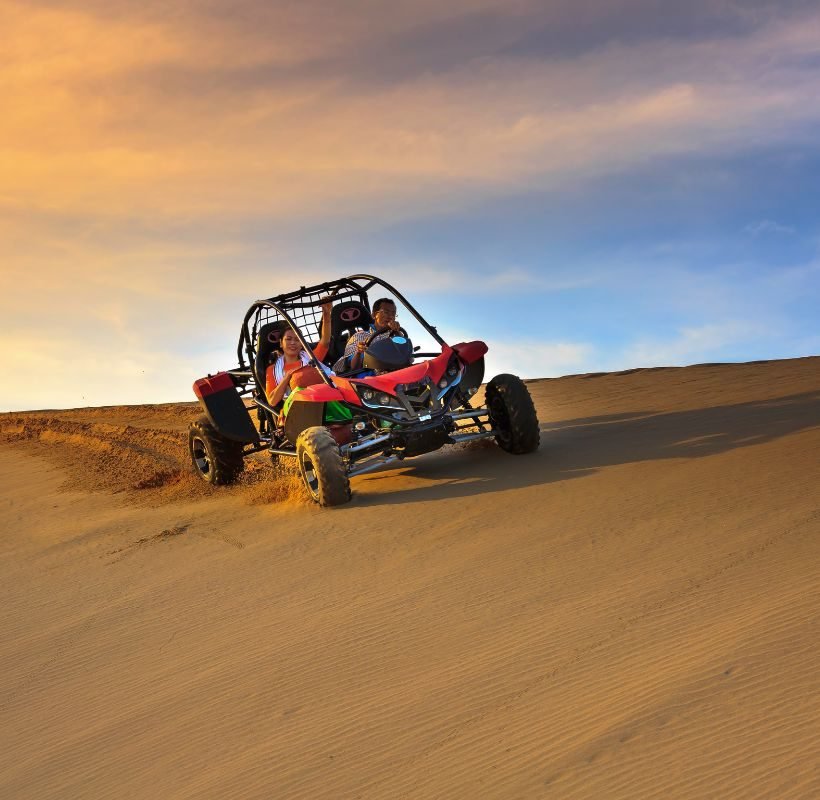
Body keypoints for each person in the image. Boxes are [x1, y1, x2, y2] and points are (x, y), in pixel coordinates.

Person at [265, 297, 333, 407]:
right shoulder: (272, 370)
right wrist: (287, 378)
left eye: (297, 339)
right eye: (288, 339)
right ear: (281, 343)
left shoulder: (311, 358)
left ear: (302, 344)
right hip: (296, 409)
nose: (293, 343)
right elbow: (272, 401)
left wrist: (326, 313)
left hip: (323, 401)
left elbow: (325, 341)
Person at [332, 297, 401, 373]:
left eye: (393, 313)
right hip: (367, 379)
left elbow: (405, 354)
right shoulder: (360, 336)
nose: (390, 316)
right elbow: (354, 367)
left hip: (394, 374)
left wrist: (397, 332)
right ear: (374, 315)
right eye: (386, 312)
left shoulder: (396, 335)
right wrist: (358, 352)